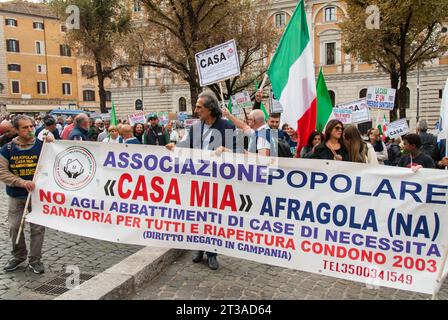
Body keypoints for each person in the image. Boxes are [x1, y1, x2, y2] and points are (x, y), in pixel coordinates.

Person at [166, 91, 236, 270]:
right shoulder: (196, 127)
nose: (196, 110)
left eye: (199, 107)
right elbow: (187, 145)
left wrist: (226, 149)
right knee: (198, 216)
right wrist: (174, 147)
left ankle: (212, 253)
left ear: (210, 109)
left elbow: (236, 150)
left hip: (217, 179)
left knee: (213, 217)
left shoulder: (227, 126)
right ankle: (198, 248)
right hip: (197, 177)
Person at [0, 115, 48, 274]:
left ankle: (35, 260)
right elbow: (2, 172)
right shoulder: (7, 149)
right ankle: (19, 256)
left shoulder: (43, 146)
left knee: (38, 229)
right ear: (16, 130)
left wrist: (53, 146)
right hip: (16, 195)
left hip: (37, 196)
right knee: (14, 227)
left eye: (31, 126)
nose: (30, 130)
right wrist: (22, 182)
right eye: (25, 127)